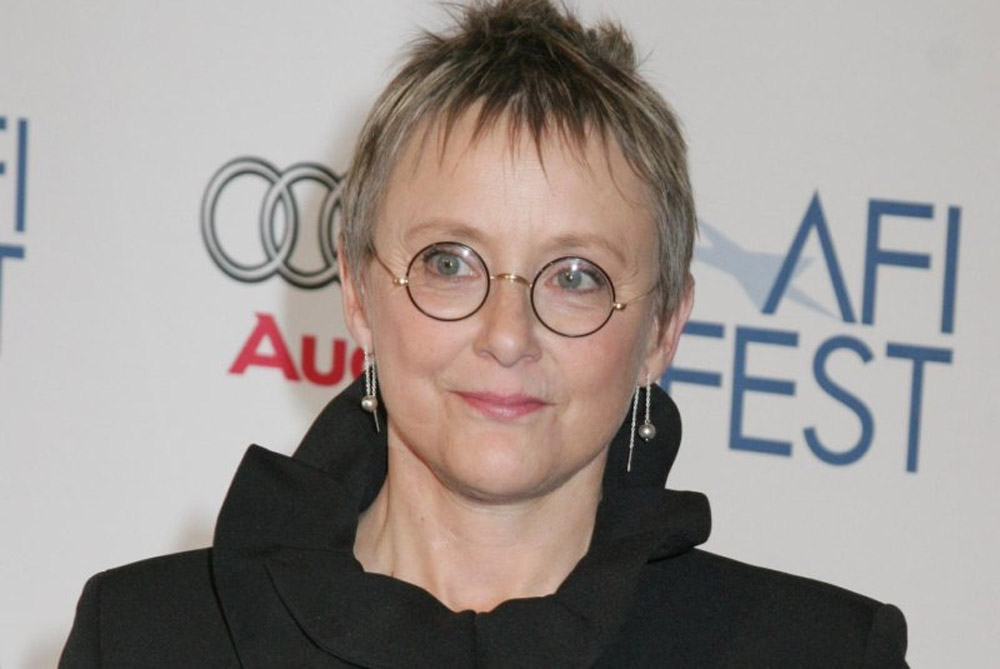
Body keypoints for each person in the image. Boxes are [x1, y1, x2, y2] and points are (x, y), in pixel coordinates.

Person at [60, 0, 908, 666]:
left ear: (662, 328)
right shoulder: (143, 638)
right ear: (357, 291)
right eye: (450, 262)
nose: (507, 335)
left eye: (575, 275)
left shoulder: (823, 652)